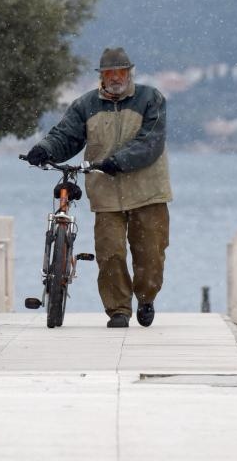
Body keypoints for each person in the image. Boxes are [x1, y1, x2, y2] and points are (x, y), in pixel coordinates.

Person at [26, 47, 172, 328]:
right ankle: (118, 310)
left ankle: (146, 298)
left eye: (120, 72)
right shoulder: (85, 104)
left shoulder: (151, 99)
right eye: (109, 73)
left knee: (150, 255)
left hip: (148, 192)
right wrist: (43, 149)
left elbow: (151, 142)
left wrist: (118, 161)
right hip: (106, 194)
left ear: (130, 73)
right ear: (101, 77)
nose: (115, 78)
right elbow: (66, 135)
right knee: (110, 254)